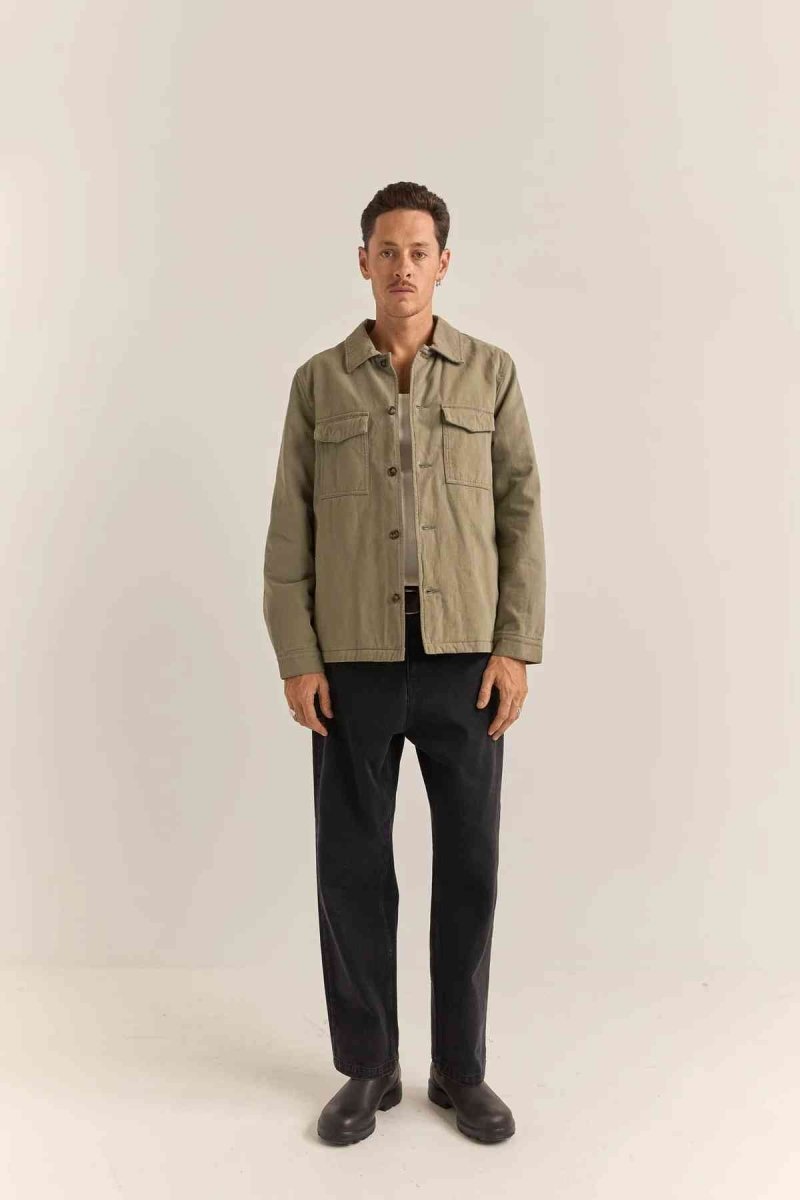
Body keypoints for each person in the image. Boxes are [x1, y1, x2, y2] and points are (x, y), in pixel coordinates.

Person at [262, 181, 546, 1145]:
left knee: (470, 867)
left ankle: (460, 1070)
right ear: (363, 262)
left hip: (467, 663)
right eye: (386, 250)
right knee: (351, 868)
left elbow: (521, 515)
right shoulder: (319, 383)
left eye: (419, 251)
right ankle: (369, 1067)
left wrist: (515, 647)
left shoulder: (491, 375)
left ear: (443, 263)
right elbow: (289, 531)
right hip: (354, 664)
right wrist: (299, 657)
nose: (402, 266)